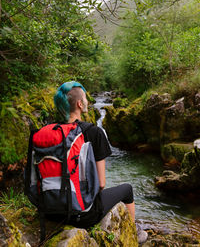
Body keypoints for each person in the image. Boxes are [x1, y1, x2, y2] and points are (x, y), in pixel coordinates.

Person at [54, 81, 148, 244]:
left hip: (51, 210)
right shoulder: (93, 132)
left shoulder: (50, 131)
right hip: (80, 214)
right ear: (79, 103)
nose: (88, 102)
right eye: (85, 99)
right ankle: (133, 232)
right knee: (127, 189)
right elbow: (101, 184)